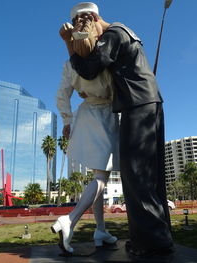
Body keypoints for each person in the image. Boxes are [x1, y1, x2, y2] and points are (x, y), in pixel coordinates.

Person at [61, 2, 174, 258]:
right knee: (149, 174)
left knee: (136, 176)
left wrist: (70, 45)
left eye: (88, 30)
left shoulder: (112, 34)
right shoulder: (125, 31)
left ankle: (150, 244)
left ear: (93, 18)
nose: (91, 38)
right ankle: (159, 237)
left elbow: (89, 69)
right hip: (149, 101)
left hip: (137, 104)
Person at [51, 13, 120, 255]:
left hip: (85, 114)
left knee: (97, 176)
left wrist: (68, 120)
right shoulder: (107, 56)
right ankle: (69, 221)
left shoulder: (70, 63)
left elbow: (62, 94)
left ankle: (100, 229)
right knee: (101, 176)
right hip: (106, 114)